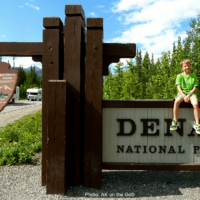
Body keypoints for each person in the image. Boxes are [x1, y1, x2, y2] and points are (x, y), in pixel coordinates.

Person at [170, 59, 200, 134]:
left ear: (190, 66)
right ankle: (175, 121)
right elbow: (178, 87)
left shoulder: (193, 76)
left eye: (188, 65)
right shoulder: (179, 76)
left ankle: (197, 124)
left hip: (191, 94)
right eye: (185, 66)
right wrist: (184, 96)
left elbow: (195, 88)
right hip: (182, 93)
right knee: (176, 101)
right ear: (182, 68)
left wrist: (189, 95)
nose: (187, 67)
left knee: (196, 104)